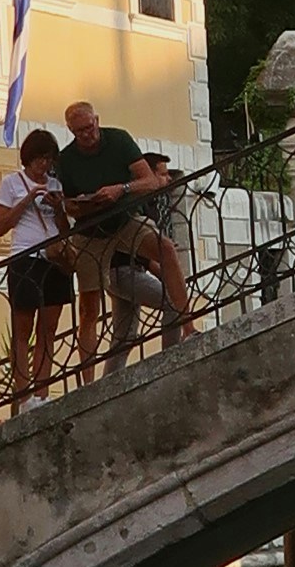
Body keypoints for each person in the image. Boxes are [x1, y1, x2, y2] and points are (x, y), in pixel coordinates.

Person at [57, 93, 195, 368]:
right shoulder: (66, 160)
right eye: (80, 131)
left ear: (97, 121)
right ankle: (87, 380)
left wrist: (121, 189)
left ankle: (189, 328)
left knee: (165, 247)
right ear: (71, 131)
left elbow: (151, 182)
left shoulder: (119, 140)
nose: (87, 135)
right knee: (89, 308)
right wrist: (81, 204)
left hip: (124, 217)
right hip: (90, 230)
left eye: (90, 127)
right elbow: (69, 206)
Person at [0, 125, 73, 404]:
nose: (45, 165)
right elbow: (0, 226)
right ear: (29, 158)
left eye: (49, 159)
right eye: (40, 159)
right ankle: (23, 396)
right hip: (25, 257)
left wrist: (58, 206)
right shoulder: (11, 184)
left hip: (53, 258)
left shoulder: (56, 185)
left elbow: (63, 228)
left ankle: (42, 391)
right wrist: (27, 200)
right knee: (22, 328)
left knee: (48, 329)